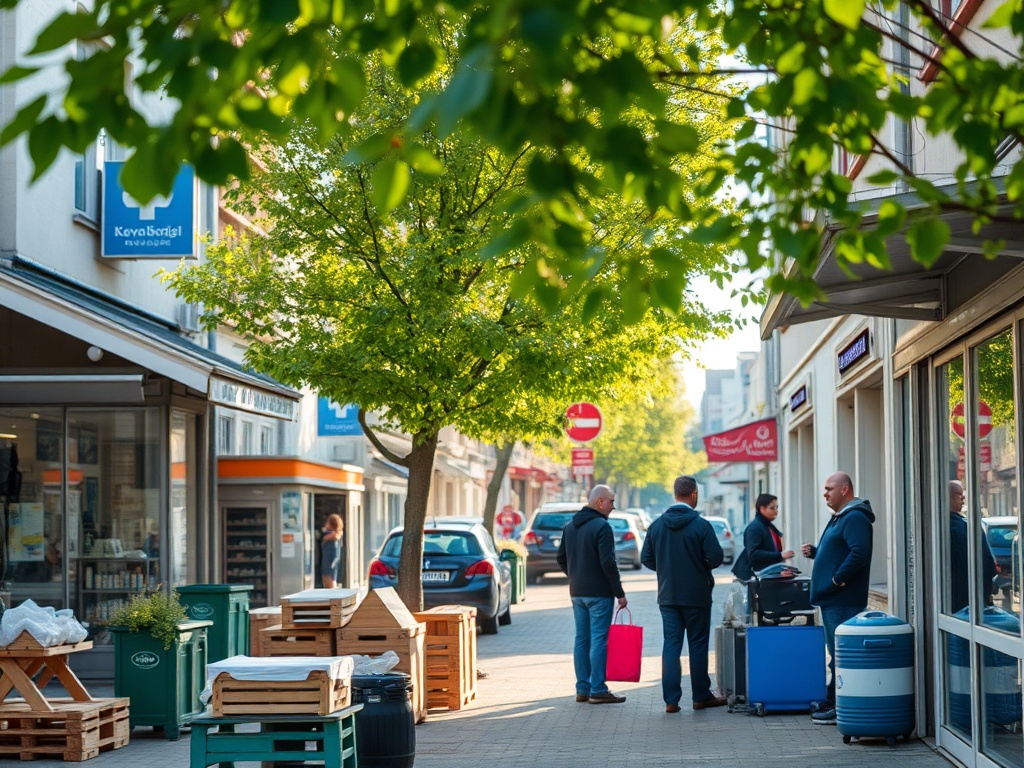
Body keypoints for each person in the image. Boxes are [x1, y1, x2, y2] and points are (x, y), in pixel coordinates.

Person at [640, 475, 726, 713]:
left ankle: (671, 700)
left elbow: (646, 558)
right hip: (697, 595)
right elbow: (717, 558)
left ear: (675, 494)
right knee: (698, 645)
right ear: (694, 494)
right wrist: (698, 567)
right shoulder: (701, 526)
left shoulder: (657, 525)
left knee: (671, 645)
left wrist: (667, 569)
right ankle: (700, 696)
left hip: (668, 596)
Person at [801, 471, 874, 725]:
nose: (825, 494)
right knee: (836, 654)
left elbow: (858, 553)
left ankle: (840, 706)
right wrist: (817, 554)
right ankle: (835, 701)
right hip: (833, 600)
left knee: (841, 656)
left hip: (842, 600)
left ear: (844, 490)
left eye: (829, 489)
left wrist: (836, 580)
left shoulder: (855, 517)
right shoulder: (841, 517)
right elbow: (840, 552)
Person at [556, 485, 629, 705]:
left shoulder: (570, 527)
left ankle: (582, 689)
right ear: (599, 502)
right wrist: (620, 593)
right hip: (599, 593)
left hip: (577, 592)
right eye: (611, 501)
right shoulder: (602, 527)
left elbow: (561, 558)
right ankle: (598, 689)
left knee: (581, 639)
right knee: (599, 640)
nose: (613, 507)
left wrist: (575, 576)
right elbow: (608, 562)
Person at [949, 479, 996, 614]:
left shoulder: (937, 526)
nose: (963, 499)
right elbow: (988, 564)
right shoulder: (968, 527)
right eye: (959, 494)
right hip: (970, 599)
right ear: (950, 497)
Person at [731, 493, 795, 581]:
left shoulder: (767, 526)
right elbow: (753, 554)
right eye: (772, 508)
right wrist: (780, 556)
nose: (776, 511)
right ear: (762, 509)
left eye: (777, 507)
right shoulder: (755, 527)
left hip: (768, 575)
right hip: (760, 577)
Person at [320, 514, 344, 589]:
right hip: (330, 563)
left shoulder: (331, 536)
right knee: (331, 579)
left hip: (328, 563)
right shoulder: (336, 536)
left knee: (329, 582)